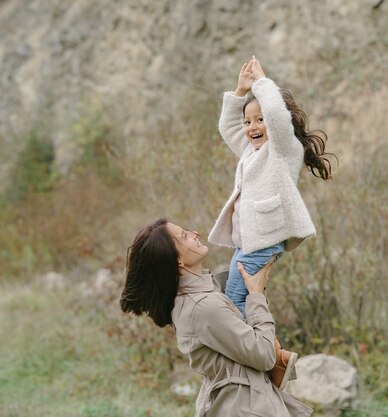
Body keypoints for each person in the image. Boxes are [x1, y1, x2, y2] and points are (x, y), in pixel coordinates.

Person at [120, 218, 313, 417]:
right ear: (177, 260)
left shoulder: (201, 297)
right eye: (184, 236)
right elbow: (264, 356)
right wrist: (256, 295)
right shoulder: (203, 307)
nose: (195, 233)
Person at [208, 56, 334, 318]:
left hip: (264, 240)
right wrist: (240, 91)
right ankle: (265, 352)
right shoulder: (252, 150)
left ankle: (253, 350)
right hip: (249, 243)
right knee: (240, 298)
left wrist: (263, 83)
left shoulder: (282, 148)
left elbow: (276, 116)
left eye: (259, 119)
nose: (252, 127)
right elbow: (227, 126)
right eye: (248, 122)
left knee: (234, 301)